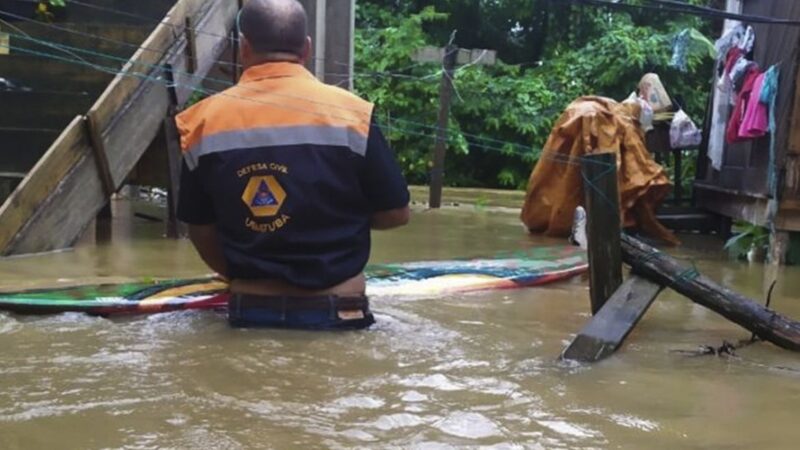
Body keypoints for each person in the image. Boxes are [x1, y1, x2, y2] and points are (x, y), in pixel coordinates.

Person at [175, 0, 410, 330]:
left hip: (250, 311)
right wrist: (335, 220)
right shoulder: (355, 115)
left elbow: (200, 228)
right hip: (341, 310)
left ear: (244, 47)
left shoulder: (200, 122)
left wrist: (241, 264)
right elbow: (397, 213)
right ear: (307, 48)